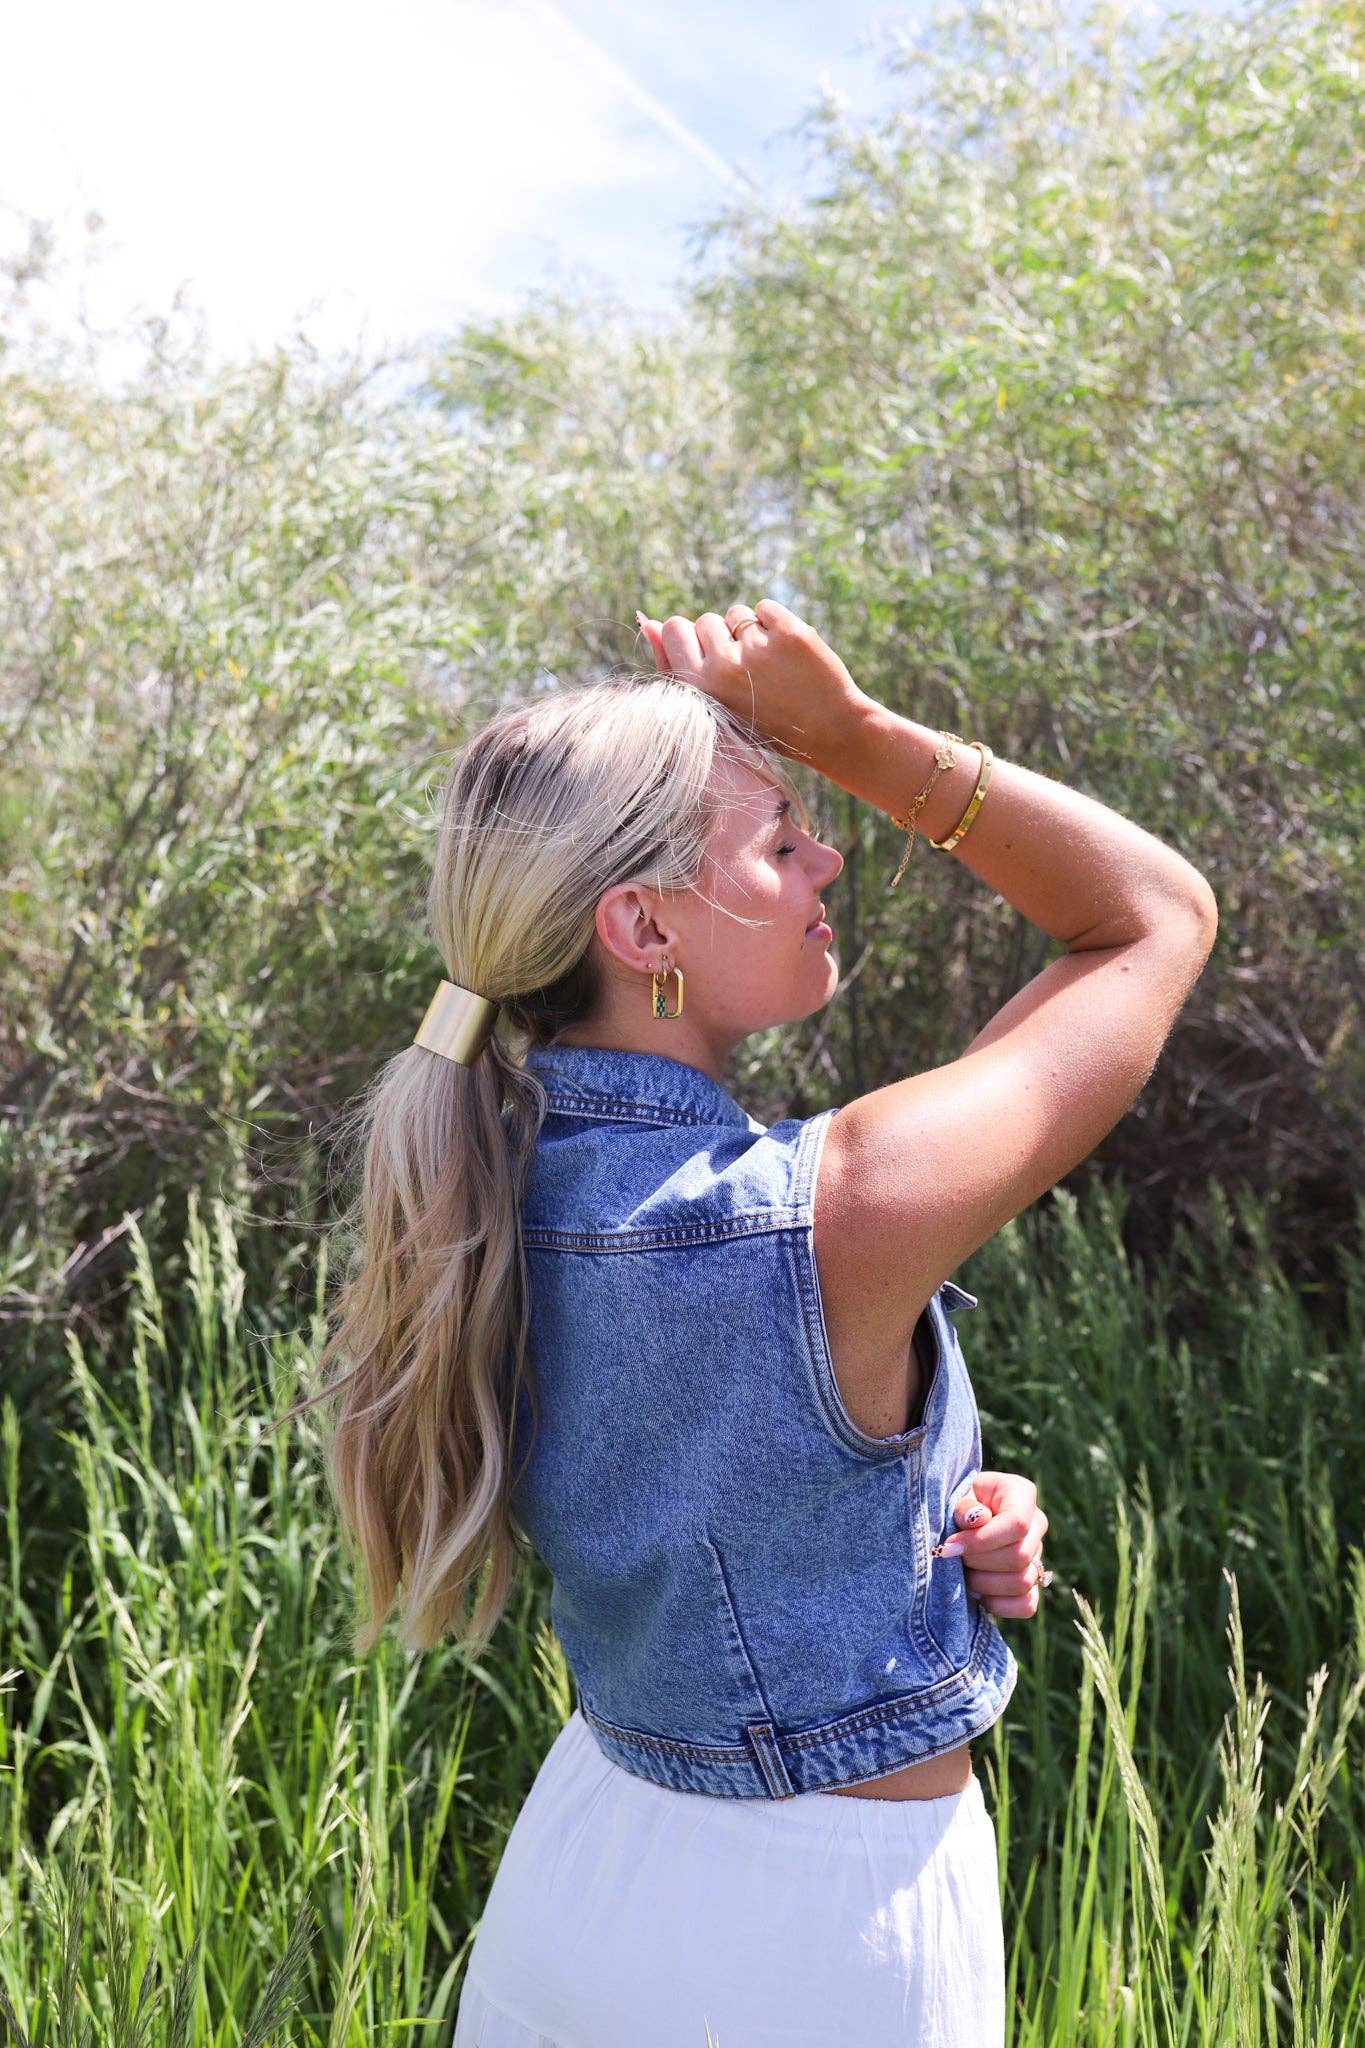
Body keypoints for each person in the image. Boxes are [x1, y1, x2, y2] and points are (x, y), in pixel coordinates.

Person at [287, 599, 1217, 2046]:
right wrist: (853, 735)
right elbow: (1150, 917)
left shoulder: (478, 1184)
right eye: (784, 839)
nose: (828, 853)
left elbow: (707, 1478)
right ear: (641, 923)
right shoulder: (824, 1210)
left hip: (585, 1862)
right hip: (820, 1929)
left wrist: (908, 1505)